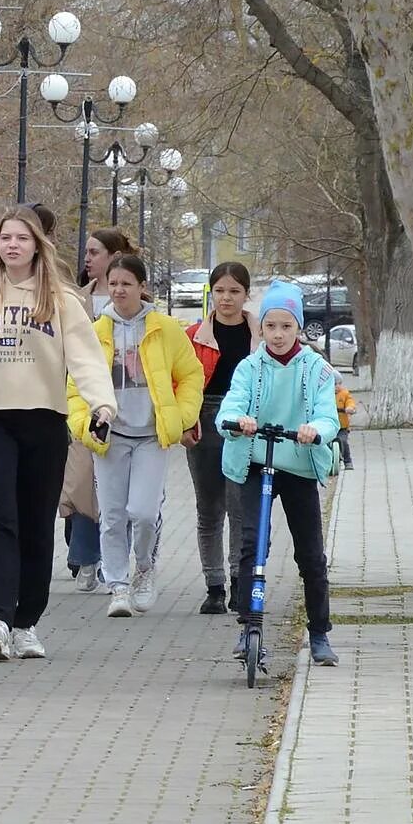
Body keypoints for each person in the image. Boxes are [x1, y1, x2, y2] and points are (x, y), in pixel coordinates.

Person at [0, 205, 115, 662]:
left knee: (37, 523)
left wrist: (102, 402)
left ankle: (27, 622)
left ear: (37, 245)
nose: (12, 246)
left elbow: (85, 357)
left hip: (45, 418)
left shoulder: (61, 298)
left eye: (21, 238)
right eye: (5, 238)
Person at [69, 253, 202, 618]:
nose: (119, 290)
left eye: (127, 283)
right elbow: (76, 385)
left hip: (150, 435)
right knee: (112, 515)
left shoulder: (164, 328)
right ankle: (118, 585)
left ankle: (144, 567)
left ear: (142, 287)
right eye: (113, 283)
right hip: (110, 435)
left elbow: (191, 375)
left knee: (142, 512)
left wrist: (181, 417)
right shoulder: (95, 332)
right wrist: (84, 423)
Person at [217, 280, 340, 667]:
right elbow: (230, 407)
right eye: (271, 326)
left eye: (287, 326)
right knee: (252, 545)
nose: (279, 334)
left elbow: (327, 415)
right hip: (257, 461)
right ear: (261, 329)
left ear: (298, 328)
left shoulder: (316, 369)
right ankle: (248, 626)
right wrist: (238, 421)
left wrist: (315, 430)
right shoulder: (250, 367)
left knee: (310, 553)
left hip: (298, 463)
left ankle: (319, 632)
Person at [63, 227, 137, 592]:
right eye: (86, 252)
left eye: (94, 252)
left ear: (113, 255)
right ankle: (85, 559)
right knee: (81, 486)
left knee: (118, 491)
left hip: (129, 408)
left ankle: (115, 563)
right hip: (85, 404)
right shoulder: (78, 300)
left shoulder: (140, 303)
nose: (87, 259)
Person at [186, 262, 258, 614]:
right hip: (205, 416)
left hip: (246, 423)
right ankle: (214, 585)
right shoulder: (196, 335)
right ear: (211, 293)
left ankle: (239, 582)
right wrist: (185, 422)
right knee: (209, 505)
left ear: (246, 294)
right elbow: (181, 382)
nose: (227, 298)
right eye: (220, 291)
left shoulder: (260, 334)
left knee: (239, 506)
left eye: (235, 291)